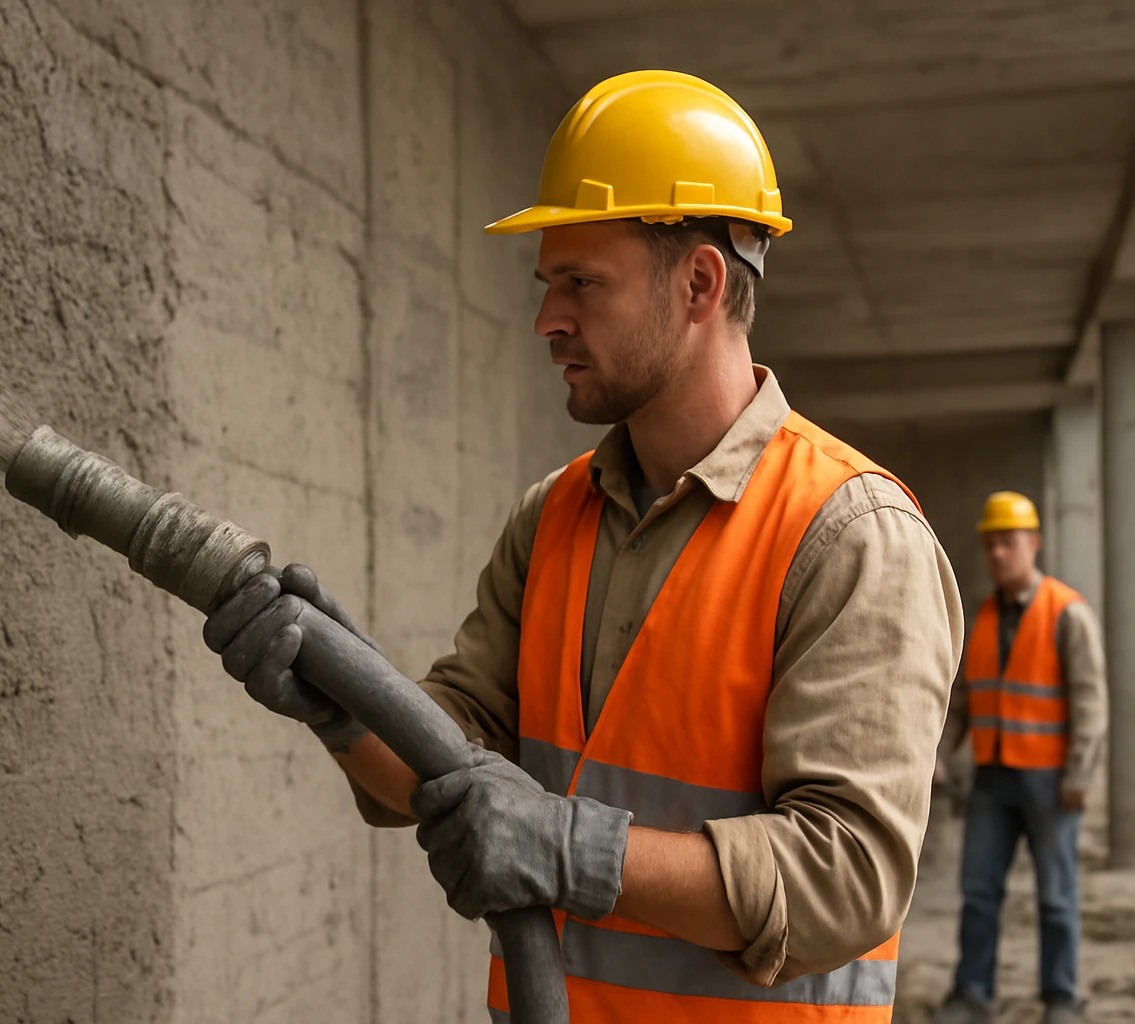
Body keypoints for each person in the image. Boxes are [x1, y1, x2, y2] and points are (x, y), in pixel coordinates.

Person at [204, 70, 963, 1020]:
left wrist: (570, 850)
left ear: (699, 283)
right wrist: (342, 698)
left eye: (582, 283)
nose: (547, 319)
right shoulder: (553, 516)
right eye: (548, 284)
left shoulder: (850, 536)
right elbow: (448, 756)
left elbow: (845, 877)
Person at [933, 492, 1108, 1024]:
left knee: (1056, 897)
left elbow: (1090, 701)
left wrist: (1079, 775)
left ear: (1034, 544)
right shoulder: (983, 618)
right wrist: (939, 755)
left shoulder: (1068, 613)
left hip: (1051, 781)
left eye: (1008, 542)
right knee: (979, 893)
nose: (998, 553)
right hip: (992, 778)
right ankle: (972, 995)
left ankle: (1061, 998)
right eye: (990, 544)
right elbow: (963, 701)